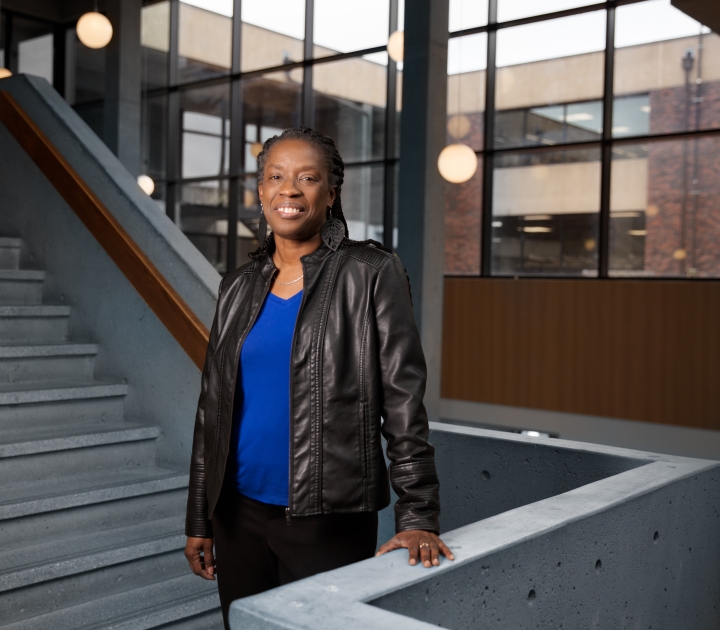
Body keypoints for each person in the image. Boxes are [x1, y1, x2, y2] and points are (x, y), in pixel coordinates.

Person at [184, 127, 453, 627]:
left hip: (327, 516)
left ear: (331, 193)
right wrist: (200, 514)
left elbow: (403, 400)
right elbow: (212, 409)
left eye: (307, 178)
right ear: (261, 190)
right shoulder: (237, 286)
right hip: (237, 514)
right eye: (276, 177)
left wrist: (418, 516)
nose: (289, 189)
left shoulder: (370, 272)